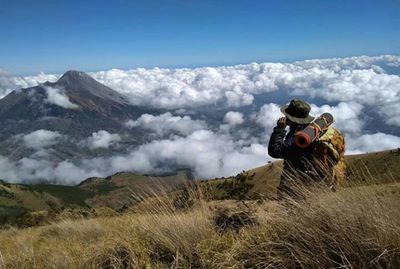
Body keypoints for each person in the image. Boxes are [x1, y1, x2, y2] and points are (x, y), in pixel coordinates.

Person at [268, 99, 338, 201]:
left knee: (291, 210)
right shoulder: (313, 130)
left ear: (292, 118)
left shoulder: (297, 137)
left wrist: (279, 130)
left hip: (297, 183)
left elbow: (275, 151)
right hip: (316, 181)